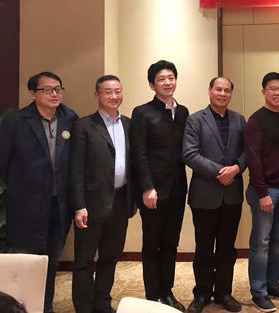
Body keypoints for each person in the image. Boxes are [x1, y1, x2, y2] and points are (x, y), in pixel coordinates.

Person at [0, 72, 78, 313]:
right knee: (26, 260)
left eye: (58, 89)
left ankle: (46, 307)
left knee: (51, 261)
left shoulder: (70, 119)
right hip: (26, 205)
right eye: (47, 90)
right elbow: (3, 163)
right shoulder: (16, 121)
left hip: (58, 205)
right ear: (33, 93)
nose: (54, 94)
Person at [69, 75, 137, 313]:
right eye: (108, 92)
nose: (114, 96)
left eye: (118, 91)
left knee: (110, 258)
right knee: (84, 260)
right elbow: (75, 170)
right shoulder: (84, 126)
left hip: (120, 201)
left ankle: (103, 304)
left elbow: (135, 164)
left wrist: (133, 198)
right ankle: (84, 307)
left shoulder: (129, 124)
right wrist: (79, 206)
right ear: (97, 95)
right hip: (91, 204)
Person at [182, 77, 246, 313]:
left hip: (232, 195)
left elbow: (248, 151)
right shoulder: (195, 120)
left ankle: (224, 292)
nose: (222, 94)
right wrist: (220, 172)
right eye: (218, 89)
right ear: (210, 91)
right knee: (204, 247)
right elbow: (189, 154)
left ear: (231, 94)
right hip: (204, 195)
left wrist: (236, 168)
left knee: (227, 248)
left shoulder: (239, 120)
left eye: (227, 90)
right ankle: (201, 293)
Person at [130, 61, 189, 311]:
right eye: (161, 79)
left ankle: (168, 292)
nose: (167, 82)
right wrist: (146, 187)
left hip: (177, 189)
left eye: (171, 77)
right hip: (153, 191)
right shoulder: (142, 112)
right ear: (152, 85)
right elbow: (139, 153)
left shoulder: (183, 112)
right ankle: (153, 296)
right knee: (152, 244)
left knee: (171, 244)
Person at [244, 72, 279, 312]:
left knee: (277, 244)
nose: (277, 92)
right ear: (264, 92)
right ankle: (259, 292)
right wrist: (262, 192)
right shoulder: (255, 121)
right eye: (272, 88)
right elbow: (253, 158)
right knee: (261, 243)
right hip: (264, 192)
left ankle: (273, 285)